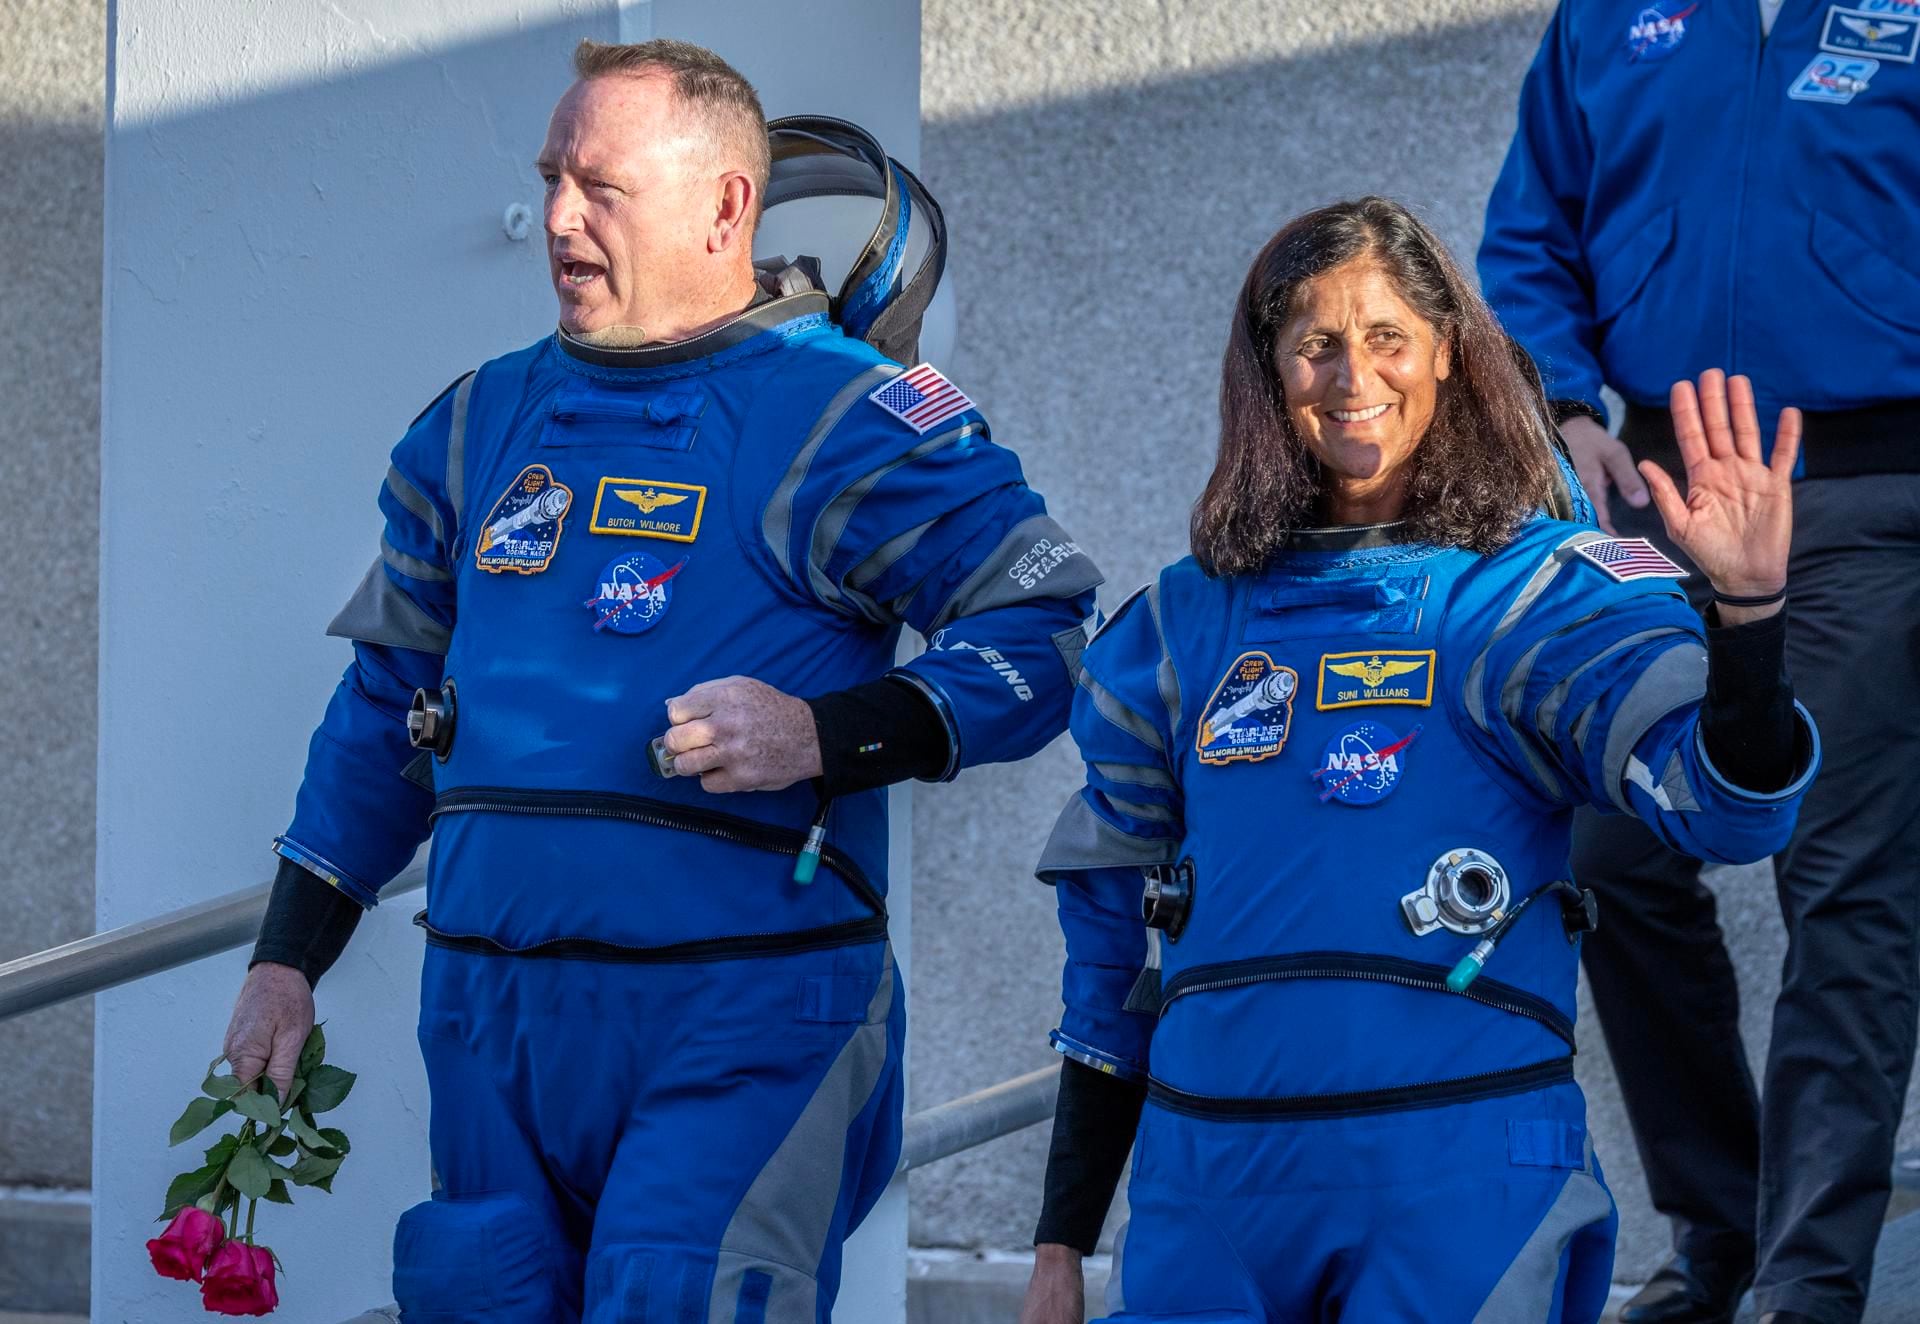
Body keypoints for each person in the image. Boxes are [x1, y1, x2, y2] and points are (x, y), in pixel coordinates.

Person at [216, 38, 1102, 1322]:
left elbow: (1046, 627)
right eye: (552, 178)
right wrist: (287, 957)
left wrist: (822, 731)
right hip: (492, 1021)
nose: (560, 219)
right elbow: (386, 705)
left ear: (727, 204)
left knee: (679, 1298)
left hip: (743, 1019)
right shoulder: (478, 424)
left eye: (601, 187)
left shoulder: (845, 414)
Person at [1017, 197, 1819, 1324]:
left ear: (1448, 350)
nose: (1354, 374)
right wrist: (1061, 1241)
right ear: (1269, 370)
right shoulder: (1180, 629)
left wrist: (1749, 613)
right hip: (1211, 1192)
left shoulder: (1535, 595)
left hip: (1460, 1176)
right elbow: (1110, 961)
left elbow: (1727, 810)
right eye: (1317, 342)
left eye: (1387, 335)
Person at [1479, 3, 1920, 1319]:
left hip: (1866, 490)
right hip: (1655, 492)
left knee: (1842, 890)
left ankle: (1809, 1284)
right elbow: (1530, 233)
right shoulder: (1609, 16)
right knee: (1616, 861)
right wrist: (1559, 404)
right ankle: (1722, 1232)